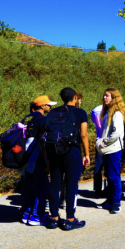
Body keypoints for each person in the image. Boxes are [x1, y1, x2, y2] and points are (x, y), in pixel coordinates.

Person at [43, 87, 90, 230]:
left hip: (54, 151)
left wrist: (47, 157)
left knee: (55, 184)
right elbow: (83, 135)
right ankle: (70, 219)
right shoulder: (80, 113)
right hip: (72, 151)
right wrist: (87, 154)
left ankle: (54, 218)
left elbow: (44, 135)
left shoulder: (53, 112)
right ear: (75, 97)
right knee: (71, 185)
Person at [20, 96, 55, 226]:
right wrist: (47, 159)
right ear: (42, 106)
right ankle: (36, 215)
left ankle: (26, 213)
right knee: (42, 185)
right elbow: (42, 140)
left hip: (26, 155)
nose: (50, 107)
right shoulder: (42, 120)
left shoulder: (27, 118)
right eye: (48, 105)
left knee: (28, 184)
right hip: (37, 155)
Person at [95, 88, 125, 214]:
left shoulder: (117, 113)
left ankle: (116, 203)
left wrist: (105, 142)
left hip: (113, 150)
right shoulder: (108, 111)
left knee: (114, 176)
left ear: (114, 98)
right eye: (104, 95)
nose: (104, 98)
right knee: (109, 175)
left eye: (107, 96)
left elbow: (118, 131)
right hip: (107, 150)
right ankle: (110, 200)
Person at [90, 104, 107, 198]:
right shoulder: (111, 110)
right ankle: (108, 188)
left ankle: (97, 190)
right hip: (108, 141)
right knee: (109, 165)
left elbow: (95, 123)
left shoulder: (95, 110)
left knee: (98, 166)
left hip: (98, 140)